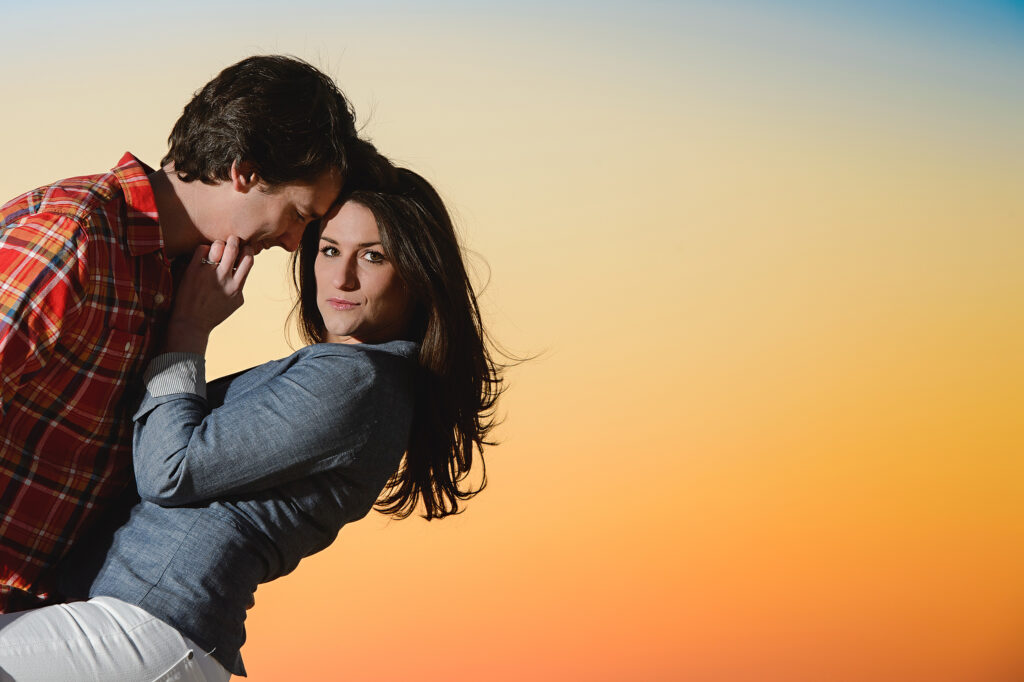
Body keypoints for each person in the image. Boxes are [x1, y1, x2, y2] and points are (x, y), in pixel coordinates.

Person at [0, 168, 505, 680]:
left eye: (373, 256)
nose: (342, 276)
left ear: (420, 272)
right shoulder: (353, 378)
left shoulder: (360, 381)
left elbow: (170, 471)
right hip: (136, 625)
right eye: (329, 250)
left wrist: (189, 328)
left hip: (152, 625)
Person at [0, 55, 364, 612]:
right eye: (298, 213)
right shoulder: (75, 236)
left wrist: (189, 332)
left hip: (35, 612)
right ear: (244, 171)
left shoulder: (174, 280)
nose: (296, 243)